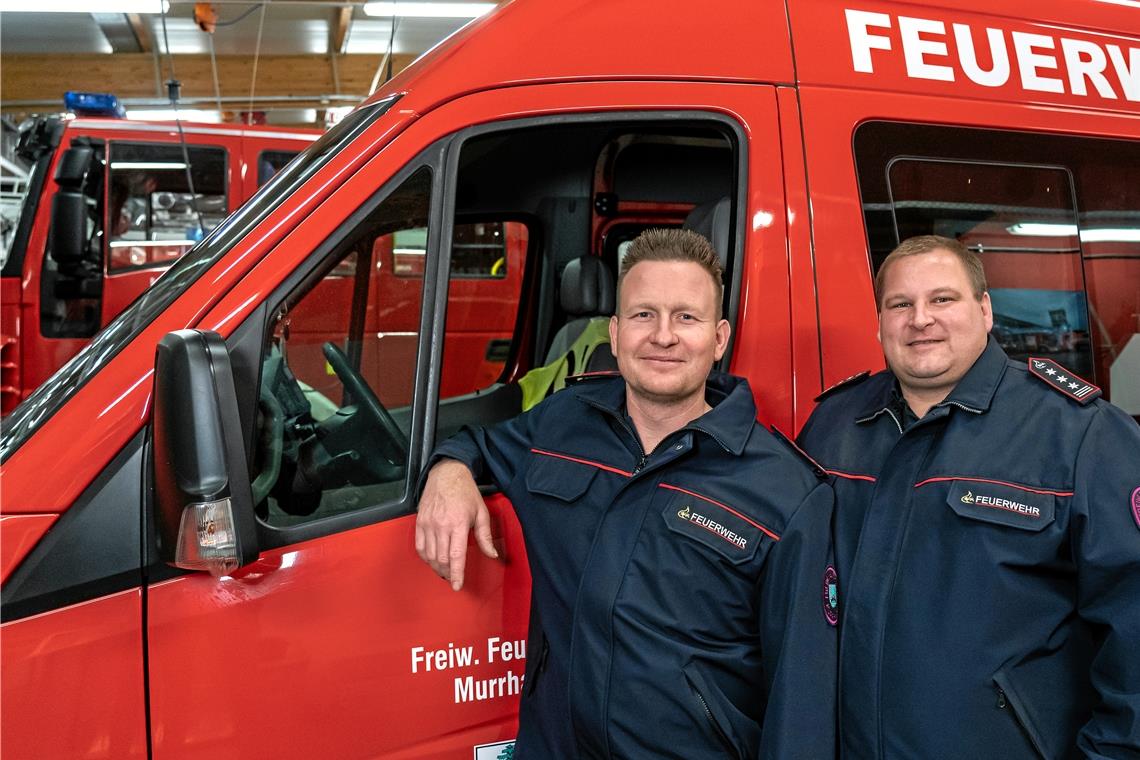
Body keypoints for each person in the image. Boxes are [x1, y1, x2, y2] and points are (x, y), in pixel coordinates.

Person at [416, 228, 837, 759]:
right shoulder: (564, 424)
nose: (663, 336)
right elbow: (480, 441)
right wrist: (449, 469)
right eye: (643, 315)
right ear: (614, 334)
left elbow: (803, 705)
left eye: (686, 317)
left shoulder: (786, 492)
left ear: (720, 338)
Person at [797, 235, 1140, 758]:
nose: (920, 319)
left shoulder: (1079, 436)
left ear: (984, 310)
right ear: (880, 321)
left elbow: (1133, 628)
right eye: (900, 304)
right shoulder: (832, 427)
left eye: (942, 299)